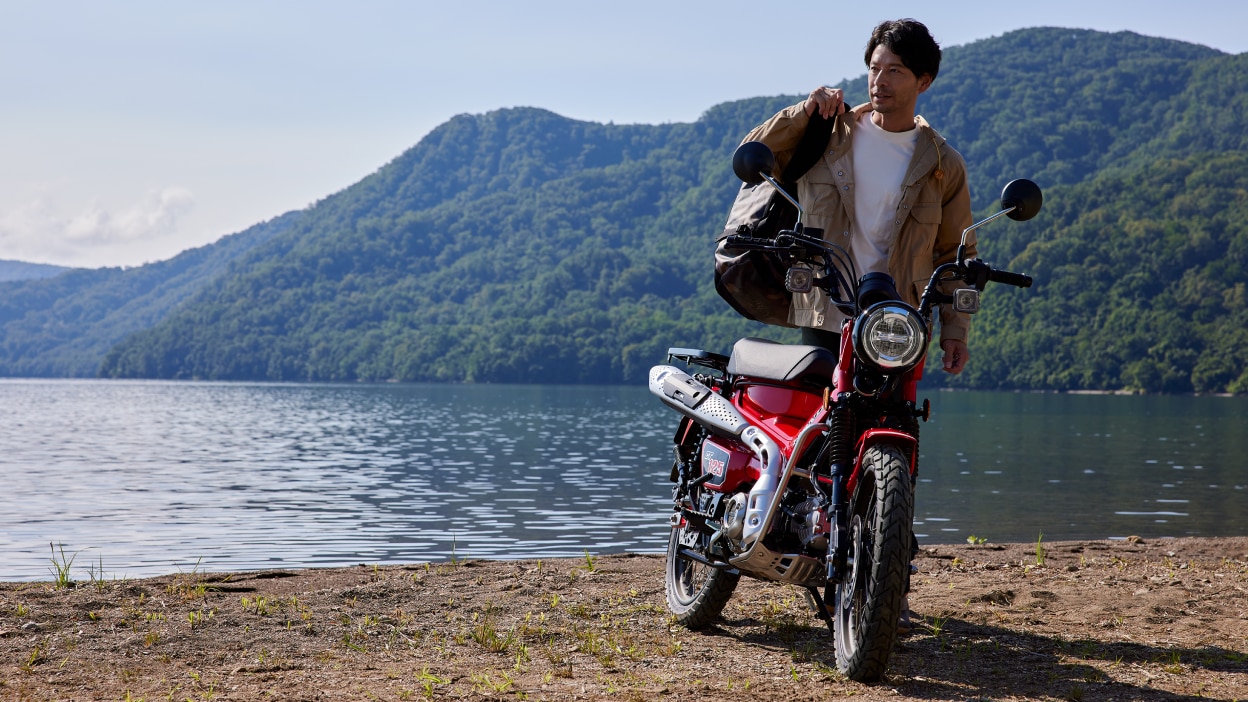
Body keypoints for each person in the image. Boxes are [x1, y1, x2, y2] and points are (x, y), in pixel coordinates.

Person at [742, 18, 974, 375]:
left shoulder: (943, 164)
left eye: (894, 70)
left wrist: (955, 332)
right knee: (820, 424)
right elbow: (751, 153)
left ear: (923, 81)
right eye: (873, 68)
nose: (879, 81)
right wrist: (802, 113)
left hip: (895, 326)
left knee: (890, 425)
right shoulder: (827, 134)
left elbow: (956, 253)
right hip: (824, 312)